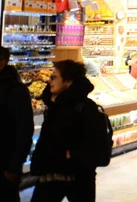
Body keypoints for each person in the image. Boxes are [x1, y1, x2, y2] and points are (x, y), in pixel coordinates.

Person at [30, 60, 100, 201]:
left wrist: (72, 154)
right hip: (50, 174)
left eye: (54, 77)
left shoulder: (86, 108)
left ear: (68, 81)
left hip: (78, 176)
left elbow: (95, 143)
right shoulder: (53, 105)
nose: (49, 81)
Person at [0, 46, 33, 202]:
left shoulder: (16, 90)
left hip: (5, 165)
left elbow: (24, 130)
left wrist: (13, 167)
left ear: (2, 62)